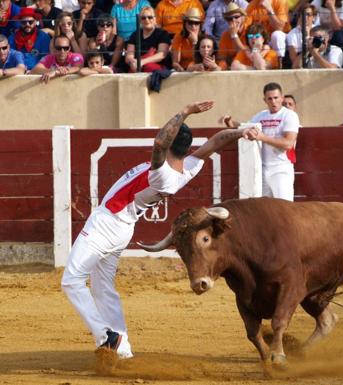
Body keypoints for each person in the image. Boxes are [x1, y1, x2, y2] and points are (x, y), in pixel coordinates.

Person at [60, 100, 259, 366]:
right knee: (102, 287)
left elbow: (159, 142)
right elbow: (216, 141)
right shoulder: (187, 168)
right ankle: (123, 348)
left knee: (71, 281)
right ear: (186, 147)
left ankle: (106, 336)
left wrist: (186, 112)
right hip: (121, 227)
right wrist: (242, 131)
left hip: (106, 224)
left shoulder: (162, 174)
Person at [223, 82, 300, 201]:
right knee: (263, 210)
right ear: (265, 100)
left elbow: (288, 144)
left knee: (284, 208)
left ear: (282, 98)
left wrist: (262, 137)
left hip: (281, 169)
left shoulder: (289, 115)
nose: (273, 102)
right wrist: (230, 123)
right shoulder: (261, 116)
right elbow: (245, 127)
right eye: (270, 98)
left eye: (276, 98)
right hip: (261, 169)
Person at [125, 6, 172, 72]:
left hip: (157, 67)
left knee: (148, 67)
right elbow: (129, 55)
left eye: (150, 17)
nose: (147, 20)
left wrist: (142, 62)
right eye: (143, 18)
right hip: (136, 66)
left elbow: (161, 55)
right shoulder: (135, 34)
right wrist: (132, 62)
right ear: (140, 20)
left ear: (155, 19)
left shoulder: (162, 34)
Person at [217, 2, 249, 68]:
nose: (233, 20)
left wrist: (234, 35)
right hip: (231, 68)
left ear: (242, 17)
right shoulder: (225, 35)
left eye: (236, 17)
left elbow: (245, 55)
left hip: (247, 66)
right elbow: (222, 58)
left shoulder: (250, 31)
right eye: (230, 19)